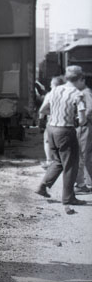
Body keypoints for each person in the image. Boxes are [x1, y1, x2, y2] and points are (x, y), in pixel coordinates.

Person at [35, 65, 87, 206]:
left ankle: (42, 186)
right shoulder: (77, 94)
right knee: (71, 164)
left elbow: (43, 109)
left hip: (51, 129)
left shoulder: (55, 90)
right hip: (65, 131)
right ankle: (68, 198)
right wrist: (74, 119)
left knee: (58, 161)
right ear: (80, 78)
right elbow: (82, 120)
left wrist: (56, 114)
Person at [39, 76, 65, 168]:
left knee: (47, 141)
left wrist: (41, 120)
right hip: (65, 122)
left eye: (51, 84)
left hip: (51, 122)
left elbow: (42, 110)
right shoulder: (68, 94)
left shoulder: (50, 95)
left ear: (54, 85)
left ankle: (49, 161)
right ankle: (63, 161)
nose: (50, 86)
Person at [75, 82, 92, 193]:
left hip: (84, 126)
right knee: (85, 155)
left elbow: (89, 109)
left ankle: (81, 184)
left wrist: (82, 120)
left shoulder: (85, 93)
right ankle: (86, 182)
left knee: (82, 155)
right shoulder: (85, 92)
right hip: (85, 126)